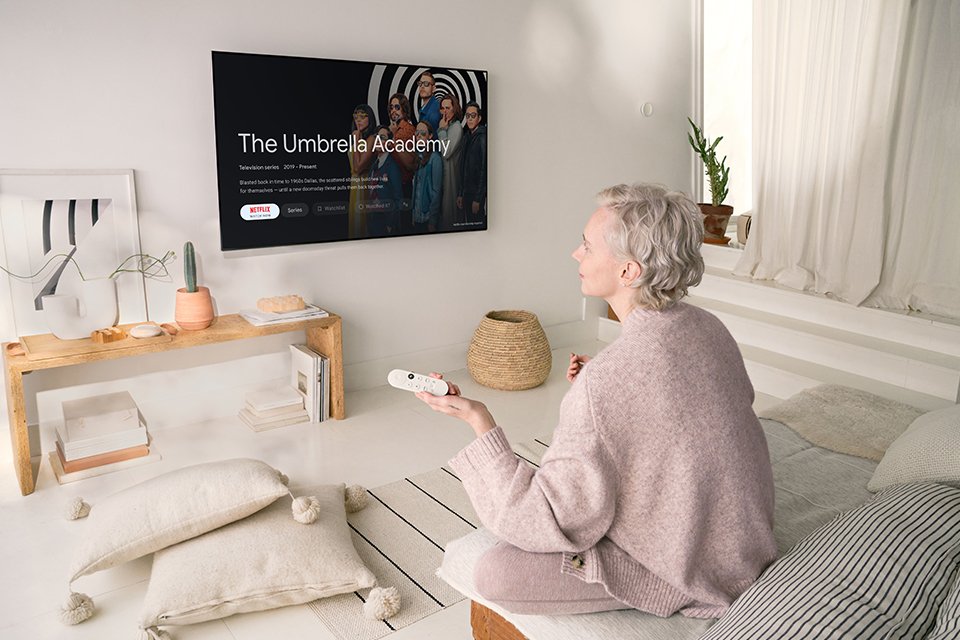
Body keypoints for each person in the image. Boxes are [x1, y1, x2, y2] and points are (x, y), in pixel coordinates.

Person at [416, 183, 777, 618]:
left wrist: (480, 420)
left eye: (587, 246)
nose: (575, 254)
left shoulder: (607, 380)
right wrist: (606, 392)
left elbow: (547, 519)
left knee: (496, 571)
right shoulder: (708, 327)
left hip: (687, 566)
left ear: (628, 272)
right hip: (744, 541)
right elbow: (688, 413)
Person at [386, 92, 417, 230]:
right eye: (391, 107)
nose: (393, 110)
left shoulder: (408, 130)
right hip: (392, 187)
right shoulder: (394, 128)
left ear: (404, 109)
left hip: (403, 187)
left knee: (403, 228)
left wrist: (392, 137)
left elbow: (410, 164)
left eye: (397, 107)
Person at [366, 126, 403, 237]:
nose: (377, 140)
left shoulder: (392, 166)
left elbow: (398, 198)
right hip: (373, 220)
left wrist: (390, 224)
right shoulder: (374, 165)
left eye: (382, 137)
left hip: (386, 223)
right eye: (376, 137)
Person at [348, 104, 377, 238]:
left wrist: (356, 141)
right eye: (356, 117)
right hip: (354, 185)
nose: (358, 120)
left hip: (364, 185)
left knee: (362, 227)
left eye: (362, 116)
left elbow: (358, 167)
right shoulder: (359, 137)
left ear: (370, 118)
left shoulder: (371, 139)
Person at [437, 95, 464, 231]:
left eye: (448, 107)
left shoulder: (456, 127)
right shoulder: (447, 125)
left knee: (449, 221)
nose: (445, 111)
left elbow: (446, 153)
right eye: (442, 108)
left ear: (455, 108)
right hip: (442, 179)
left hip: (451, 181)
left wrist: (441, 130)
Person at [457, 101, 487, 224]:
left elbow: (484, 170)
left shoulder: (483, 138)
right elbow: (463, 168)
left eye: (473, 116)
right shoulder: (467, 137)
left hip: (476, 195)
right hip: (466, 194)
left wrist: (478, 199)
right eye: (467, 116)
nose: (469, 119)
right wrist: (460, 193)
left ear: (479, 118)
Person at [411, 121, 443, 233]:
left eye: (423, 133)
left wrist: (432, 222)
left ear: (430, 136)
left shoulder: (435, 159)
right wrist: (413, 215)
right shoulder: (417, 157)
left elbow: (436, 193)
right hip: (417, 217)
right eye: (417, 133)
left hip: (428, 218)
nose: (419, 136)